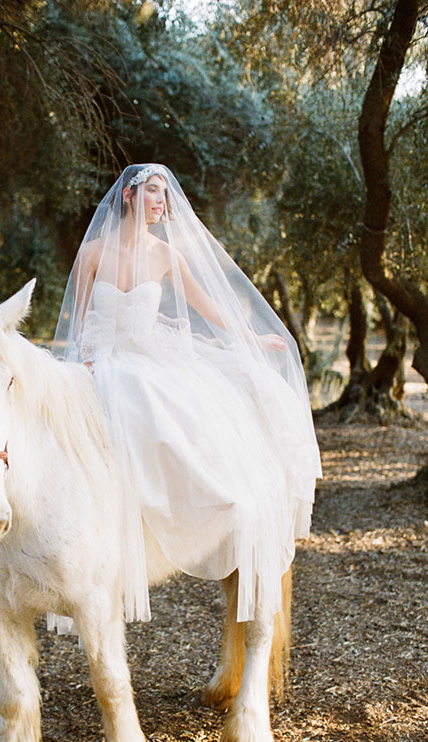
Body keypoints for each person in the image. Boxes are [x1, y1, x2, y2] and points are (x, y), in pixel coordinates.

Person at [52, 164, 321, 624]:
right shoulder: (93, 251)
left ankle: (193, 516)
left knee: (172, 412)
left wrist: (250, 337)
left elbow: (209, 305)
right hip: (98, 361)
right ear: (131, 196)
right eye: (154, 191)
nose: (162, 201)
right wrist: (82, 361)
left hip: (146, 357)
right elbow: (75, 324)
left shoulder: (165, 255)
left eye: (164, 194)